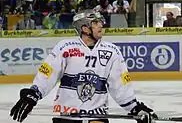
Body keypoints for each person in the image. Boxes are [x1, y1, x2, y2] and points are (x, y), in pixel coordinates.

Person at [10, 10, 158, 123]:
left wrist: (134, 107)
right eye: (95, 22)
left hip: (97, 118)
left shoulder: (112, 51)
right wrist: (34, 94)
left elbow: (119, 85)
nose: (101, 25)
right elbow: (47, 74)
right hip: (67, 118)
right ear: (85, 28)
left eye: (100, 22)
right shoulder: (65, 47)